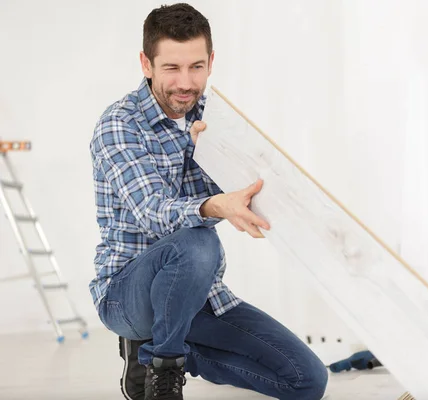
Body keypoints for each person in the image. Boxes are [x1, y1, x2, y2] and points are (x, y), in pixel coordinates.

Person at [89, 3, 328, 400]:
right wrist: (214, 205)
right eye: (171, 68)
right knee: (197, 240)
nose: (185, 82)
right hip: (128, 294)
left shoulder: (217, 119)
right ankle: (163, 371)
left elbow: (258, 186)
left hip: (199, 294)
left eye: (196, 67)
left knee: (306, 380)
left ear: (211, 62)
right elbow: (152, 212)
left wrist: (220, 156)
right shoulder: (119, 123)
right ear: (146, 64)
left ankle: (153, 354)